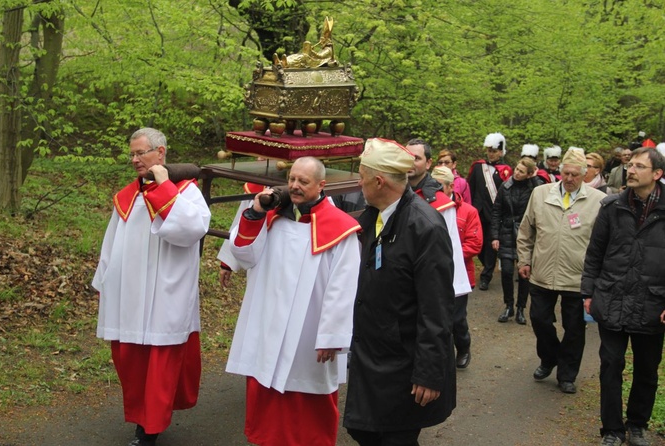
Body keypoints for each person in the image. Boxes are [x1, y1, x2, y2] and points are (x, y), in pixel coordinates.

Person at [226, 156, 361, 446]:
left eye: (303, 181)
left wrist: (331, 337)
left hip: (308, 332)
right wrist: (255, 213)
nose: (295, 187)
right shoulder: (272, 215)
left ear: (322, 185)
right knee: (266, 395)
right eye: (292, 180)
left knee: (307, 403)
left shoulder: (341, 229)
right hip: (268, 321)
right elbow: (244, 255)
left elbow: (343, 287)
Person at [92, 127, 211, 446]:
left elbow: (190, 229)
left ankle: (150, 428)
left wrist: (161, 186)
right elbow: (110, 243)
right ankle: (142, 419)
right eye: (131, 154)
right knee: (131, 361)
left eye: (141, 153)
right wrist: (104, 280)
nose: (134, 159)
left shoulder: (186, 191)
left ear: (160, 153)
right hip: (129, 293)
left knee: (159, 363)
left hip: (164, 293)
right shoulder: (127, 195)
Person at [343, 138, 456, 445]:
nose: (359, 184)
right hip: (373, 355)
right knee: (365, 430)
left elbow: (437, 306)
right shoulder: (372, 216)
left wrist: (429, 373)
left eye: (363, 179)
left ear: (379, 182)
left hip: (403, 361)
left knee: (395, 437)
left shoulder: (425, 227)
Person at [581, 147, 665, 446]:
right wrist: (588, 291)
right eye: (630, 165)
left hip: (652, 303)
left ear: (657, 174)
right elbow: (595, 252)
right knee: (610, 365)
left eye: (639, 167)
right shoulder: (612, 207)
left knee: (646, 368)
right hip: (612, 297)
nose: (630, 170)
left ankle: (638, 425)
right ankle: (612, 429)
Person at [517, 148, 606, 395]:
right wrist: (524, 259)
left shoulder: (598, 201)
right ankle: (550, 357)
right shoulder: (540, 193)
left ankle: (567, 374)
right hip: (542, 274)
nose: (569, 178)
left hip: (578, 277)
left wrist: (596, 277)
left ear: (584, 175)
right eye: (565, 173)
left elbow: (602, 243)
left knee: (574, 329)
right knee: (539, 319)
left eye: (575, 175)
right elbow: (526, 232)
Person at [405, 138, 472, 366]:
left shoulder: (441, 203)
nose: (411, 162)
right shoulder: (394, 194)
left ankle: (461, 348)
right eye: (407, 156)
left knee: (450, 323)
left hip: (433, 276)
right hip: (405, 276)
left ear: (428, 162)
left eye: (417, 158)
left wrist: (451, 287)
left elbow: (450, 247)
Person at [433, 165, 483, 369]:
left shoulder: (468, 211)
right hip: (434, 273)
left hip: (459, 274)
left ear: (450, 186)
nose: (434, 191)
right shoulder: (428, 206)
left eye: (439, 187)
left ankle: (463, 347)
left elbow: (475, 243)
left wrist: (447, 256)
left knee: (457, 319)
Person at [491, 157, 539, 325]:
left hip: (526, 233)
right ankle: (509, 305)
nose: (517, 173)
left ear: (529, 174)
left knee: (524, 273)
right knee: (506, 271)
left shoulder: (535, 188)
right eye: (516, 169)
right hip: (506, 232)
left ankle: (521, 308)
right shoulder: (505, 186)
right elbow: (496, 211)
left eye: (521, 171)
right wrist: (495, 236)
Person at [468, 132, 513, 291]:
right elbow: (470, 189)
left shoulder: (506, 170)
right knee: (478, 245)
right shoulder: (478, 167)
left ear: (501, 152)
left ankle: (486, 276)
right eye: (489, 150)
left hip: (494, 214)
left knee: (490, 245)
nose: (491, 154)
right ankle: (486, 267)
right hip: (478, 212)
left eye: (494, 151)